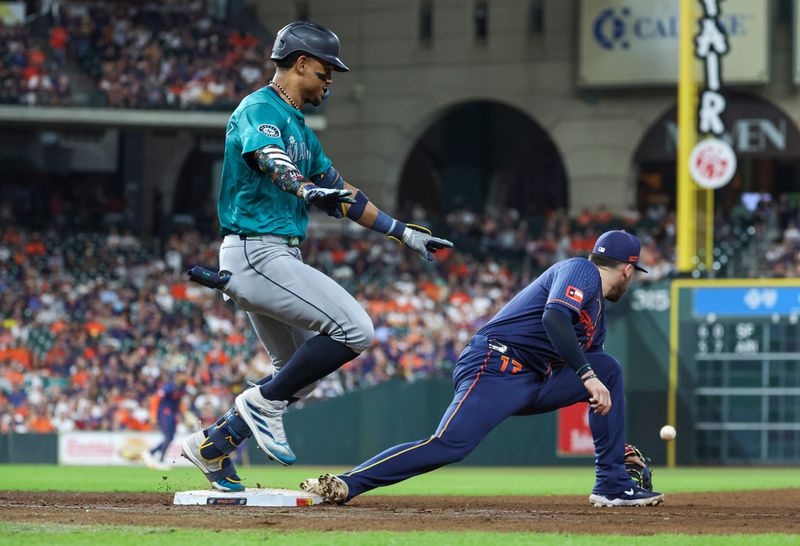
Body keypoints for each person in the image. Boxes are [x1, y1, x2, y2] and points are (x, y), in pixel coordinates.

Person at [180, 21, 452, 492]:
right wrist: (308, 189)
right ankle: (258, 407)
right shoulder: (258, 108)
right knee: (356, 329)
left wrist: (404, 233)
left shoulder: (302, 128)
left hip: (267, 256)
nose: (331, 80)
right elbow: (271, 160)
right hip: (257, 253)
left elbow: (344, 194)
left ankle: (214, 445)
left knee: (298, 377)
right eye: (326, 70)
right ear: (301, 63)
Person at [301, 230, 665, 507]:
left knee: (608, 370)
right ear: (628, 269)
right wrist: (586, 376)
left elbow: (593, 366)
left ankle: (611, 482)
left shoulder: (597, 314)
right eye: (633, 270)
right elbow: (554, 317)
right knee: (449, 445)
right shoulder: (580, 270)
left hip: (536, 378)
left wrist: (602, 412)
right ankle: (349, 482)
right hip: (495, 364)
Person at [143, 373, 186, 470]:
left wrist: (183, 414)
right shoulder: (169, 387)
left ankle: (152, 453)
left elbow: (178, 403)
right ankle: (159, 460)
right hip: (165, 412)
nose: (184, 376)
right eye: (181, 374)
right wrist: (153, 415)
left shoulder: (182, 387)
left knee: (170, 437)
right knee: (168, 437)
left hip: (172, 414)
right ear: (176, 376)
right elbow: (155, 399)